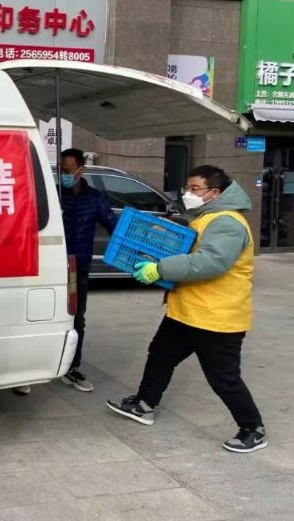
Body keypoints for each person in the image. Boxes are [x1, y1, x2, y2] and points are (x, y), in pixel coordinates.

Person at [107, 165, 266, 453]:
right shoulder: (205, 217)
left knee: (223, 377)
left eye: (195, 189)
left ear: (214, 193)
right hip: (187, 311)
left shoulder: (227, 222)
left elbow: (210, 262)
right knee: (160, 354)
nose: (187, 194)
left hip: (216, 317)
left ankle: (253, 428)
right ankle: (145, 404)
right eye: (186, 188)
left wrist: (160, 268)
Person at [14, 148, 116, 394]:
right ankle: (26, 371)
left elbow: (114, 224)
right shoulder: (52, 196)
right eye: (61, 170)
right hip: (48, 267)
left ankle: (72, 367)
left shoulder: (94, 198)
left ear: (81, 170)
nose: (64, 175)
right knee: (37, 315)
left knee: (76, 318)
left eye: (68, 170)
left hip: (77, 269)